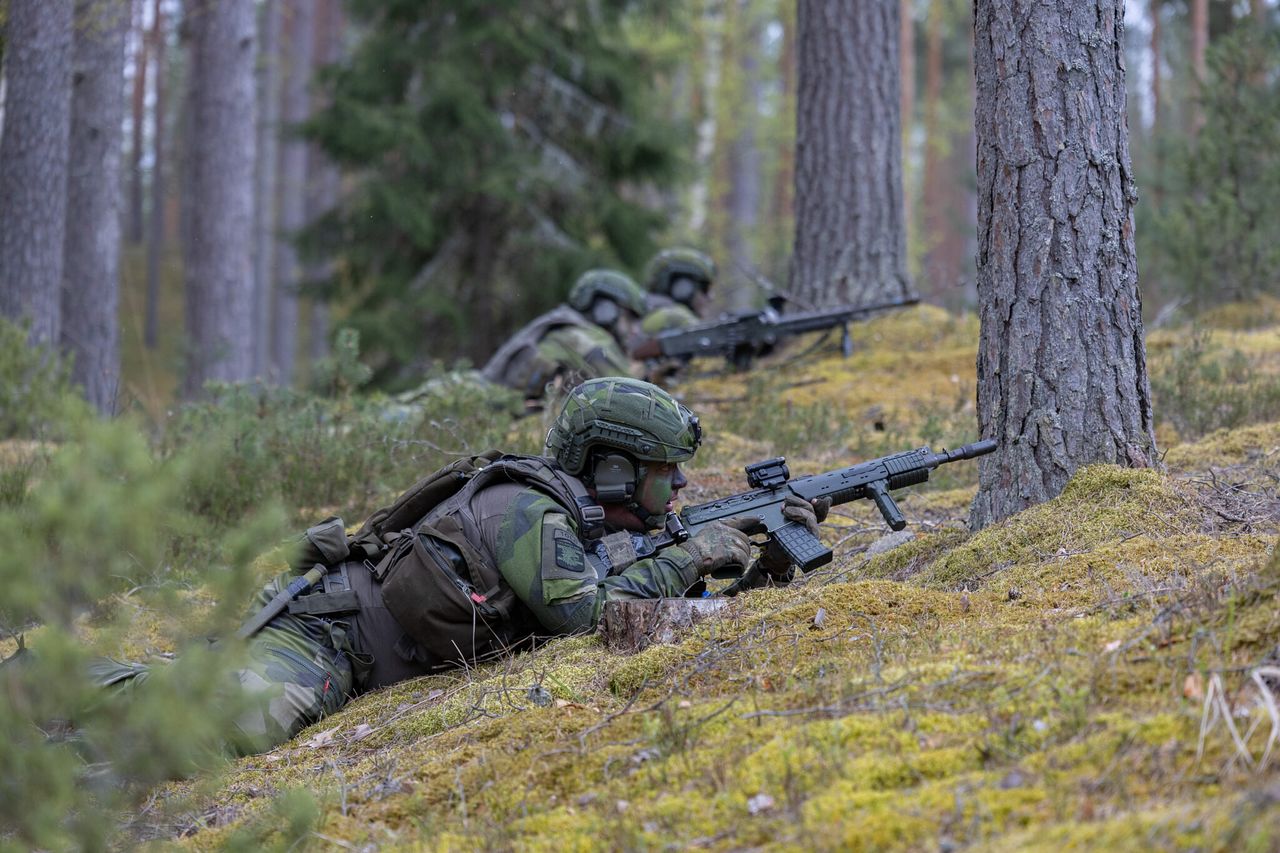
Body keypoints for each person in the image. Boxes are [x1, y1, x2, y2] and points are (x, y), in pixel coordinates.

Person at [92, 377, 828, 755]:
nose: (681, 488)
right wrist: (693, 551)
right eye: (664, 472)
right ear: (609, 468)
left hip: (358, 650)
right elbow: (587, 615)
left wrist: (763, 565)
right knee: (218, 726)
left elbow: (657, 614)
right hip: (325, 633)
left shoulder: (591, 523)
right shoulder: (528, 511)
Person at [479, 269, 647, 401]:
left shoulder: (564, 326)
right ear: (606, 310)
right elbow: (631, 395)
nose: (634, 329)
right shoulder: (583, 339)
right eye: (630, 318)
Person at [638, 247, 717, 336]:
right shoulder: (675, 319)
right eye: (705, 288)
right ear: (683, 288)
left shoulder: (647, 317)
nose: (711, 297)